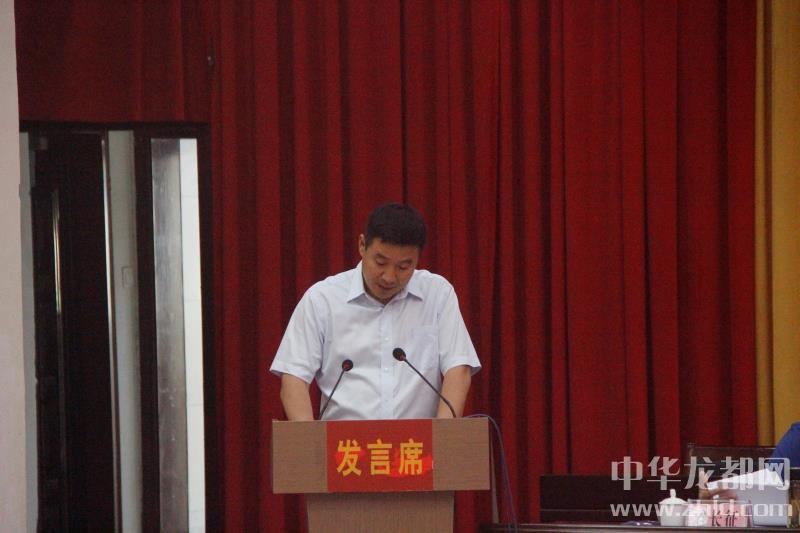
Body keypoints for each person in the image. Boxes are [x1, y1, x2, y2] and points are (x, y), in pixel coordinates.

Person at [270, 203, 481, 421]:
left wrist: (443, 436)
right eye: (380, 262)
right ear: (362, 245)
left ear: (417, 259)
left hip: (418, 442)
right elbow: (294, 377)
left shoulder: (438, 294)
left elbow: (458, 368)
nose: (389, 277)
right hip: (344, 442)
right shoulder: (322, 299)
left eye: (403, 267)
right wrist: (309, 440)